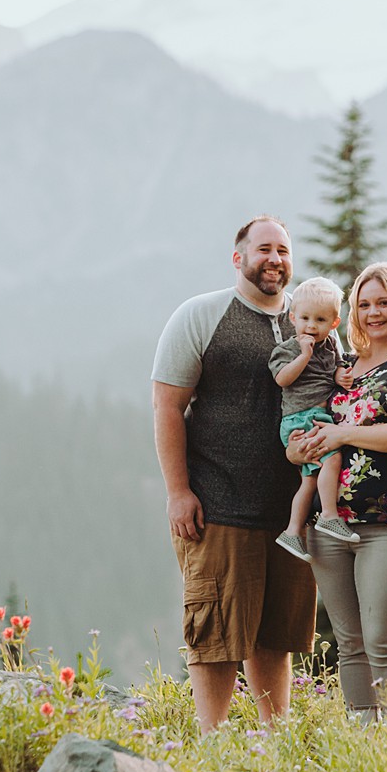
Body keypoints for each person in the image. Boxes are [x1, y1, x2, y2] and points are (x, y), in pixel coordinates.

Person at [151, 215, 316, 733]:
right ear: (238, 257)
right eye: (264, 248)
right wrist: (179, 492)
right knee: (217, 632)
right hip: (218, 504)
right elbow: (166, 406)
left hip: (290, 513)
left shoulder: (310, 320)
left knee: (276, 635)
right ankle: (211, 743)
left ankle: (276, 738)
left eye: (284, 251)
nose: (275, 259)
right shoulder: (201, 315)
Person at [291, 261, 387, 721]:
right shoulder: (343, 367)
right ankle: (364, 741)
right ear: (353, 313)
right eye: (364, 304)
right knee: (349, 642)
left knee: (380, 638)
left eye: (383, 303)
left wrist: (343, 434)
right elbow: (310, 427)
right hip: (329, 522)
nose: (373, 312)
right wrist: (302, 448)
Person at [268, 276, 358, 562]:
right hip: (300, 418)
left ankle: (293, 532)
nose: (310, 326)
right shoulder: (288, 349)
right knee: (332, 459)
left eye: (320, 320)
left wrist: (339, 376)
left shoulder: (331, 346)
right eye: (304, 318)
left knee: (309, 481)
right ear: (293, 317)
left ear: (334, 323)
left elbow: (330, 375)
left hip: (316, 416)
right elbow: (283, 379)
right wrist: (303, 356)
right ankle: (329, 514)